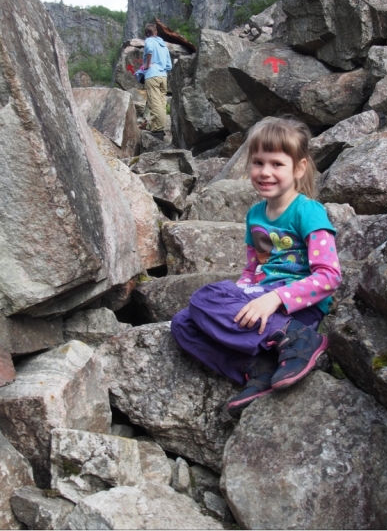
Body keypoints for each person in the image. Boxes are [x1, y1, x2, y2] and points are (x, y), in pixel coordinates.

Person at [171, 116, 342, 417]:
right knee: (183, 323)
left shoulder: (308, 211)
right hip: (262, 299)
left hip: (296, 308)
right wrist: (239, 298)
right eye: (258, 162)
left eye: (277, 164)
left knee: (203, 297)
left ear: (299, 168)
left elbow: (329, 276)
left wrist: (274, 299)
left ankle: (299, 340)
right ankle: (259, 368)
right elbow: (253, 271)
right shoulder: (255, 214)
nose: (265, 172)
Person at [141, 23, 172, 134]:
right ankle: (159, 127)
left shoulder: (149, 41)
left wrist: (148, 65)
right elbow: (169, 65)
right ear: (156, 32)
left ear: (147, 34)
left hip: (152, 76)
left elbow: (149, 49)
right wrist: (161, 69)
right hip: (163, 76)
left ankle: (158, 131)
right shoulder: (163, 45)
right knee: (161, 103)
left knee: (154, 103)